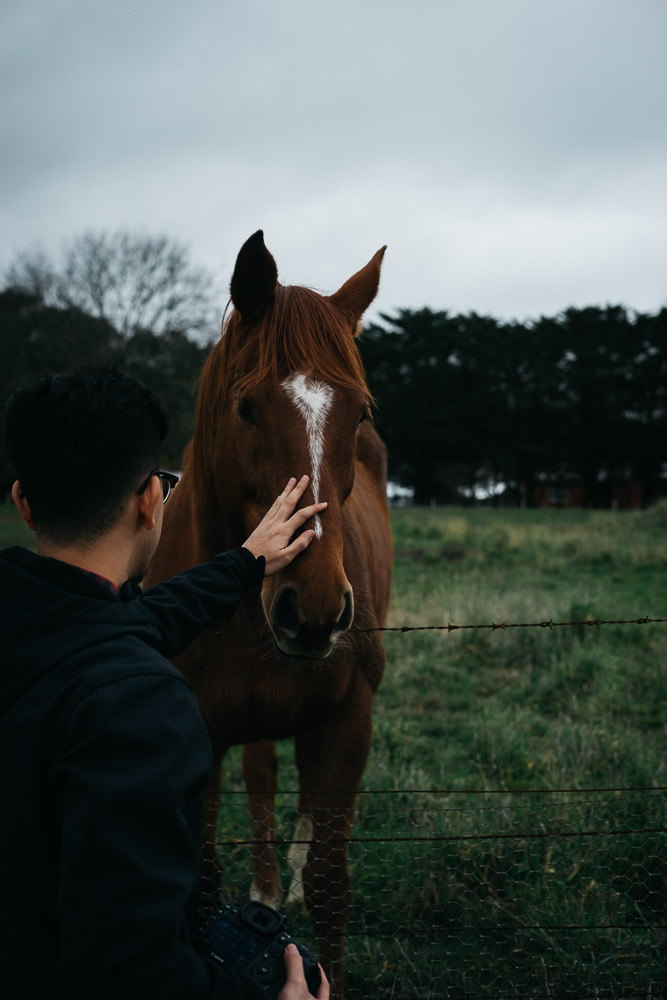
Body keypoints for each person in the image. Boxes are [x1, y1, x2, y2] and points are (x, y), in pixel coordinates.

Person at [0, 367, 330, 1000]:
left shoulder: (41, 629)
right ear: (151, 501)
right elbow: (131, 971)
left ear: (23, 501)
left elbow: (123, 622)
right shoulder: (136, 704)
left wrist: (244, 561)